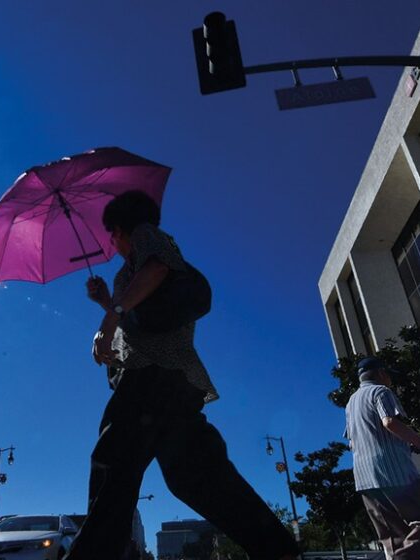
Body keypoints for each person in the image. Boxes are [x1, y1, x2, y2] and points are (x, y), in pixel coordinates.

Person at [64, 191, 298, 560]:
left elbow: (157, 270)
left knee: (114, 465)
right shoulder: (133, 266)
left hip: (149, 378)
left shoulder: (146, 235)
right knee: (196, 475)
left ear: (123, 227)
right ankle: (278, 550)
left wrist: (110, 317)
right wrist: (107, 302)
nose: (111, 241)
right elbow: (141, 317)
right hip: (173, 381)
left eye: (112, 233)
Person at [345, 356, 420, 559]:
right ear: (381, 373)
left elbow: (352, 441)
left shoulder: (351, 403)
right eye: (388, 375)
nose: (390, 380)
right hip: (394, 473)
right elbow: (389, 423)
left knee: (394, 538)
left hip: (364, 480)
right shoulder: (380, 391)